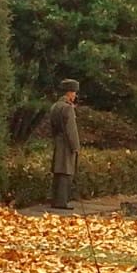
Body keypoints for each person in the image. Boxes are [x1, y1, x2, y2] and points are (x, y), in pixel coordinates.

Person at [50, 78, 81, 210]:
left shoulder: (55, 106)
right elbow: (71, 130)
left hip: (58, 141)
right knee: (66, 172)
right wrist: (76, 147)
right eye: (74, 93)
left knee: (57, 171)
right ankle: (62, 202)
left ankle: (55, 199)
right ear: (69, 93)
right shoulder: (68, 108)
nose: (75, 96)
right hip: (66, 143)